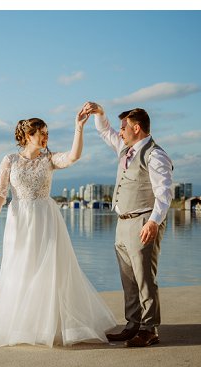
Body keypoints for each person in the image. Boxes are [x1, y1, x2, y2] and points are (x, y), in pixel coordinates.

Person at [0, 107, 118, 347]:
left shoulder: (49, 160)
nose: (45, 137)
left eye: (47, 133)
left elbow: (73, 156)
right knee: (20, 268)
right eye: (41, 133)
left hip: (46, 219)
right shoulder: (9, 160)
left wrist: (79, 128)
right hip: (19, 220)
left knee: (50, 269)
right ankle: (21, 324)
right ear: (28, 135)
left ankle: (48, 325)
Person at [83, 102, 173, 348]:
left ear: (136, 127)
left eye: (124, 127)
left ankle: (149, 329)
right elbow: (105, 132)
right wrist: (99, 114)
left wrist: (154, 222)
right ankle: (132, 325)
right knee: (128, 279)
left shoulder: (155, 155)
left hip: (143, 220)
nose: (120, 132)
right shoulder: (126, 148)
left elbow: (164, 193)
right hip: (123, 223)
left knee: (144, 277)